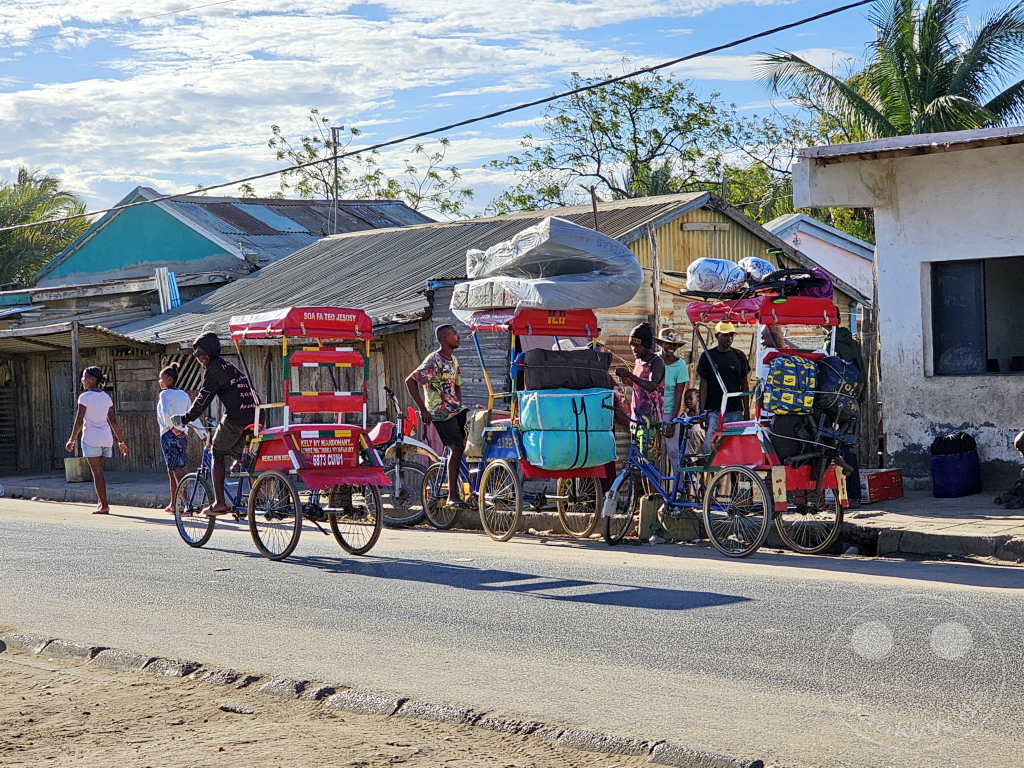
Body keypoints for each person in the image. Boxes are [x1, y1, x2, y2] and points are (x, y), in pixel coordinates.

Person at [172, 332, 257, 516]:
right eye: (196, 355)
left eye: (202, 353)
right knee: (238, 451)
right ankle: (245, 469)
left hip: (236, 417)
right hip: (255, 415)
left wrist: (185, 418)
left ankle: (219, 503)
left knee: (216, 452)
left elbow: (203, 399)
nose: (199, 358)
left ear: (211, 350)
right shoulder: (228, 366)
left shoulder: (214, 369)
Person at [406, 324, 470, 509]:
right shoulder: (433, 360)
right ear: (444, 338)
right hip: (439, 411)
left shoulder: (454, 361)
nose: (457, 336)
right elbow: (410, 380)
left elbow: (457, 384)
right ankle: (452, 495)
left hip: (454, 408)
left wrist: (459, 405)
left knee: (478, 428)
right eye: (454, 334)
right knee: (456, 448)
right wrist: (423, 410)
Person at [65, 366, 128, 515]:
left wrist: (71, 439)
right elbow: (113, 421)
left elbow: (79, 421)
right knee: (100, 472)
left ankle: (104, 505)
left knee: (97, 473)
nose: (82, 380)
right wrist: (121, 441)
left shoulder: (84, 397)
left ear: (92, 380)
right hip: (106, 438)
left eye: (84, 377)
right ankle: (101, 502)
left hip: (91, 438)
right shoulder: (106, 397)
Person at [157, 362, 207, 513]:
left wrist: (171, 427)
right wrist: (203, 435)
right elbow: (192, 417)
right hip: (182, 435)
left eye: (162, 379)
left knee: (177, 470)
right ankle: (174, 504)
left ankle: (187, 504)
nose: (160, 382)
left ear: (170, 379)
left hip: (168, 434)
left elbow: (165, 413)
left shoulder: (164, 394)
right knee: (173, 469)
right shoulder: (184, 395)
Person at [697, 321, 750, 455]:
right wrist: (702, 411)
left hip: (735, 410)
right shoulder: (708, 356)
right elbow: (704, 384)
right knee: (710, 446)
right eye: (725, 335)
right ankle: (710, 474)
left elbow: (744, 383)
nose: (729, 338)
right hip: (714, 410)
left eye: (731, 335)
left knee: (737, 445)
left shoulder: (739, 356)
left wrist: (747, 410)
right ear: (717, 336)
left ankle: (735, 474)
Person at [615, 322, 665, 458]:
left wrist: (630, 375)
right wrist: (626, 380)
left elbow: (651, 385)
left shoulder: (656, 362)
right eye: (632, 345)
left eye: (637, 345)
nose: (634, 349)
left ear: (647, 345)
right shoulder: (638, 362)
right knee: (640, 464)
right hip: (636, 420)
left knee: (650, 464)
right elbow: (638, 385)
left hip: (651, 422)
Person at [657, 328, 689, 472]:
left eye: (674, 345)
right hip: (653, 412)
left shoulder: (680, 365)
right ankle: (654, 492)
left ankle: (679, 487)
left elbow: (679, 395)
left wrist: (673, 422)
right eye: (668, 344)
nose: (671, 348)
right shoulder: (653, 361)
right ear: (661, 344)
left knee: (673, 451)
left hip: (670, 412)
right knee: (653, 453)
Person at [682, 387, 706, 459]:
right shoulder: (684, 416)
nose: (688, 401)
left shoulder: (704, 415)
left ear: (697, 399)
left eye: (690, 398)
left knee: (703, 464)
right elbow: (681, 434)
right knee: (691, 465)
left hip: (702, 446)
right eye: (686, 399)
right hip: (690, 449)